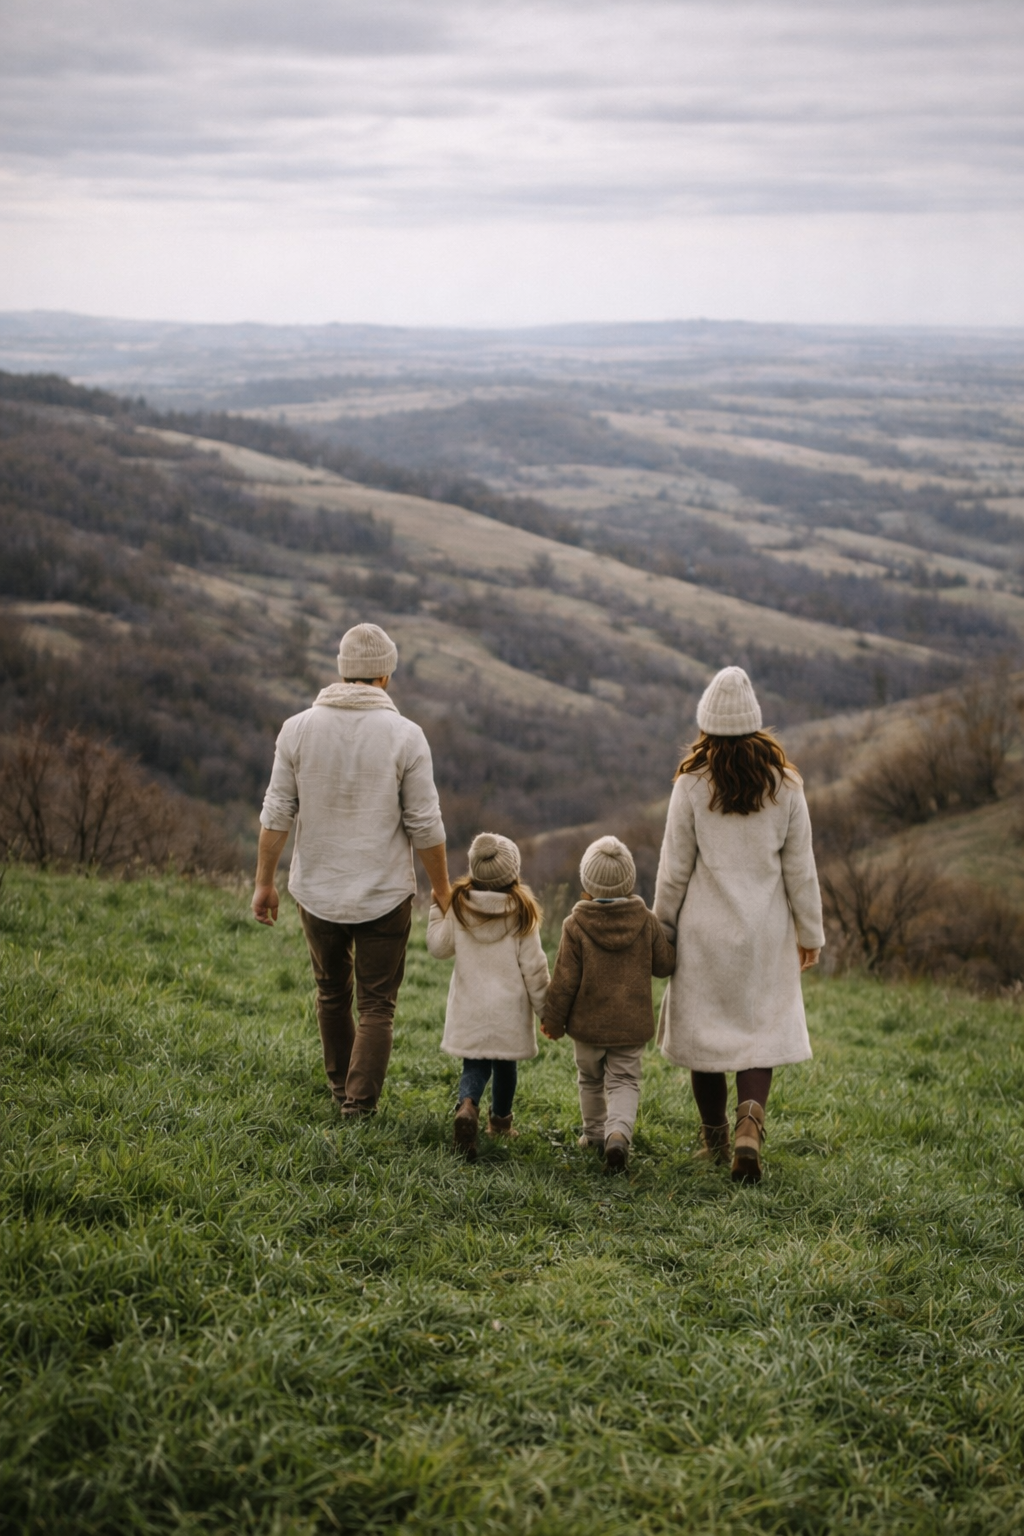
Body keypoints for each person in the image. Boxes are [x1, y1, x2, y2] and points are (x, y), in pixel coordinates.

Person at [252, 622, 450, 1117]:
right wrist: (442, 888)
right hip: (384, 894)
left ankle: (342, 1089)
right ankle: (358, 1107)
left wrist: (264, 883)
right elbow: (425, 823)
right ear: (384, 676)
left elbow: (277, 812)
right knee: (377, 1005)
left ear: (342, 672)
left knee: (330, 993)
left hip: (316, 890)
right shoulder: (406, 736)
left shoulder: (296, 729)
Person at [653, 666, 824, 1182]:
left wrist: (664, 929)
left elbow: (674, 867)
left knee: (705, 1038)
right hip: (764, 933)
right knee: (757, 1034)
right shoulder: (786, 785)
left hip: (704, 931)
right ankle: (751, 1125)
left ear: (706, 724)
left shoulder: (690, 785)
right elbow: (801, 869)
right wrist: (810, 934)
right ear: (755, 723)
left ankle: (716, 1138)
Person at [541, 836, 675, 1174]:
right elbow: (664, 966)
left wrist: (553, 1021)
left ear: (586, 882)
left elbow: (564, 981)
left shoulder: (575, 925)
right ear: (628, 881)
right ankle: (619, 1134)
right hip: (631, 1026)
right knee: (624, 1081)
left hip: (586, 1028)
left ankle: (595, 1135)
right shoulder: (645, 920)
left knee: (589, 1079)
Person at [427, 832, 550, 1161]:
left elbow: (438, 947)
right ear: (513, 873)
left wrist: (437, 909)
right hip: (508, 1012)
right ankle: (500, 1122)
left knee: (475, 1066)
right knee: (505, 1067)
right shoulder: (522, 912)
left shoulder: (459, 905)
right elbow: (535, 969)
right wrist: (548, 1012)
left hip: (471, 1009)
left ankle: (467, 1106)